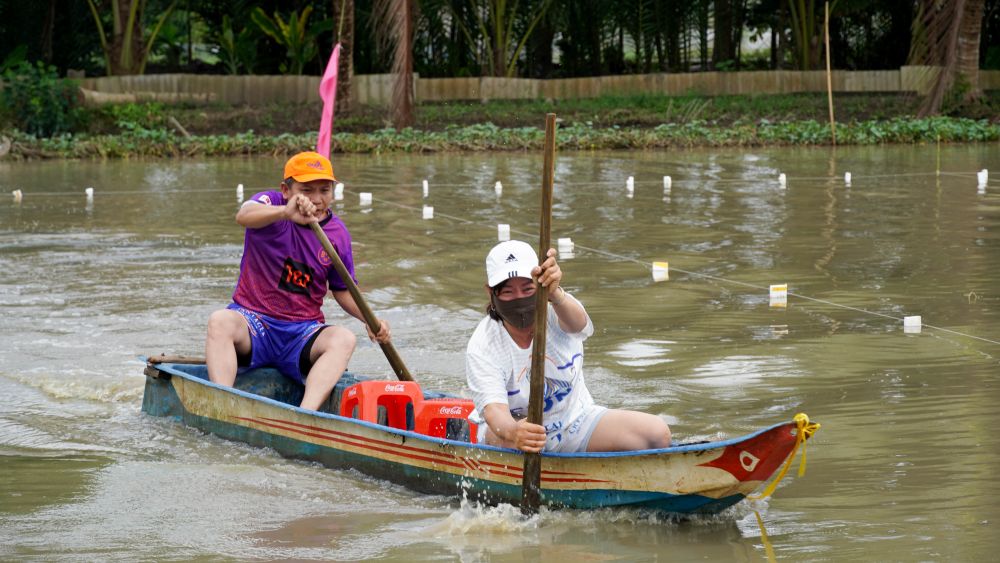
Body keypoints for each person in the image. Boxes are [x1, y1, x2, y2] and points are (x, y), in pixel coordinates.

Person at [205, 151, 390, 410]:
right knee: (219, 321)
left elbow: (342, 289)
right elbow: (243, 216)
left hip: (301, 333)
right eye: (306, 190)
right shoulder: (270, 202)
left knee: (344, 338)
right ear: (287, 190)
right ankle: (222, 404)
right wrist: (284, 213)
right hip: (254, 323)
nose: (316, 199)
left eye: (324, 190)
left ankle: (306, 414)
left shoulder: (338, 235)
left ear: (333, 191)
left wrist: (371, 320)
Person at [466, 240, 672, 453]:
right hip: (514, 430)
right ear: (490, 292)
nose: (519, 299)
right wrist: (515, 432)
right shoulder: (484, 344)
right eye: (508, 292)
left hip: (573, 421)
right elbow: (494, 411)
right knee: (508, 436)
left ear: (541, 285)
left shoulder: (557, 310)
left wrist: (555, 294)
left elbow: (579, 325)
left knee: (657, 434)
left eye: (528, 289)